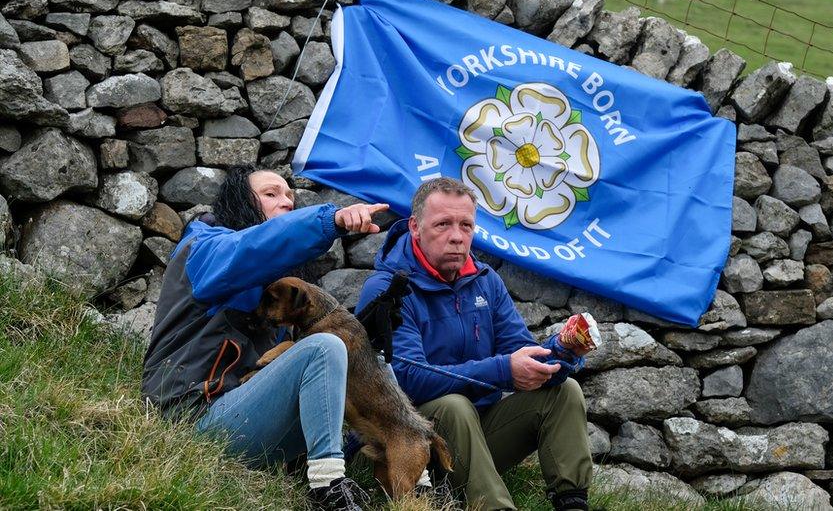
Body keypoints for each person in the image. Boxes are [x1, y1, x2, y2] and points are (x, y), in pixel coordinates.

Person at [141, 166, 387, 511]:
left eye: (290, 196)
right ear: (241, 203)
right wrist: (328, 221)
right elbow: (252, 248)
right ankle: (328, 488)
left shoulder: (279, 288)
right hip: (192, 418)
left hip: (248, 421)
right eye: (271, 194)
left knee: (373, 364)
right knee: (323, 348)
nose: (286, 202)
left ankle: (403, 480)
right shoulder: (205, 249)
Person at [355, 177, 593, 511]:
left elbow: (520, 351)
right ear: (415, 227)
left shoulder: (485, 281)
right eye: (443, 224)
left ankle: (572, 503)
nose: (456, 236)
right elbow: (406, 379)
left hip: (479, 436)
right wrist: (503, 370)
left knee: (564, 391)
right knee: (453, 405)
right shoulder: (387, 289)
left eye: (466, 225)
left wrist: (563, 352)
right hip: (413, 446)